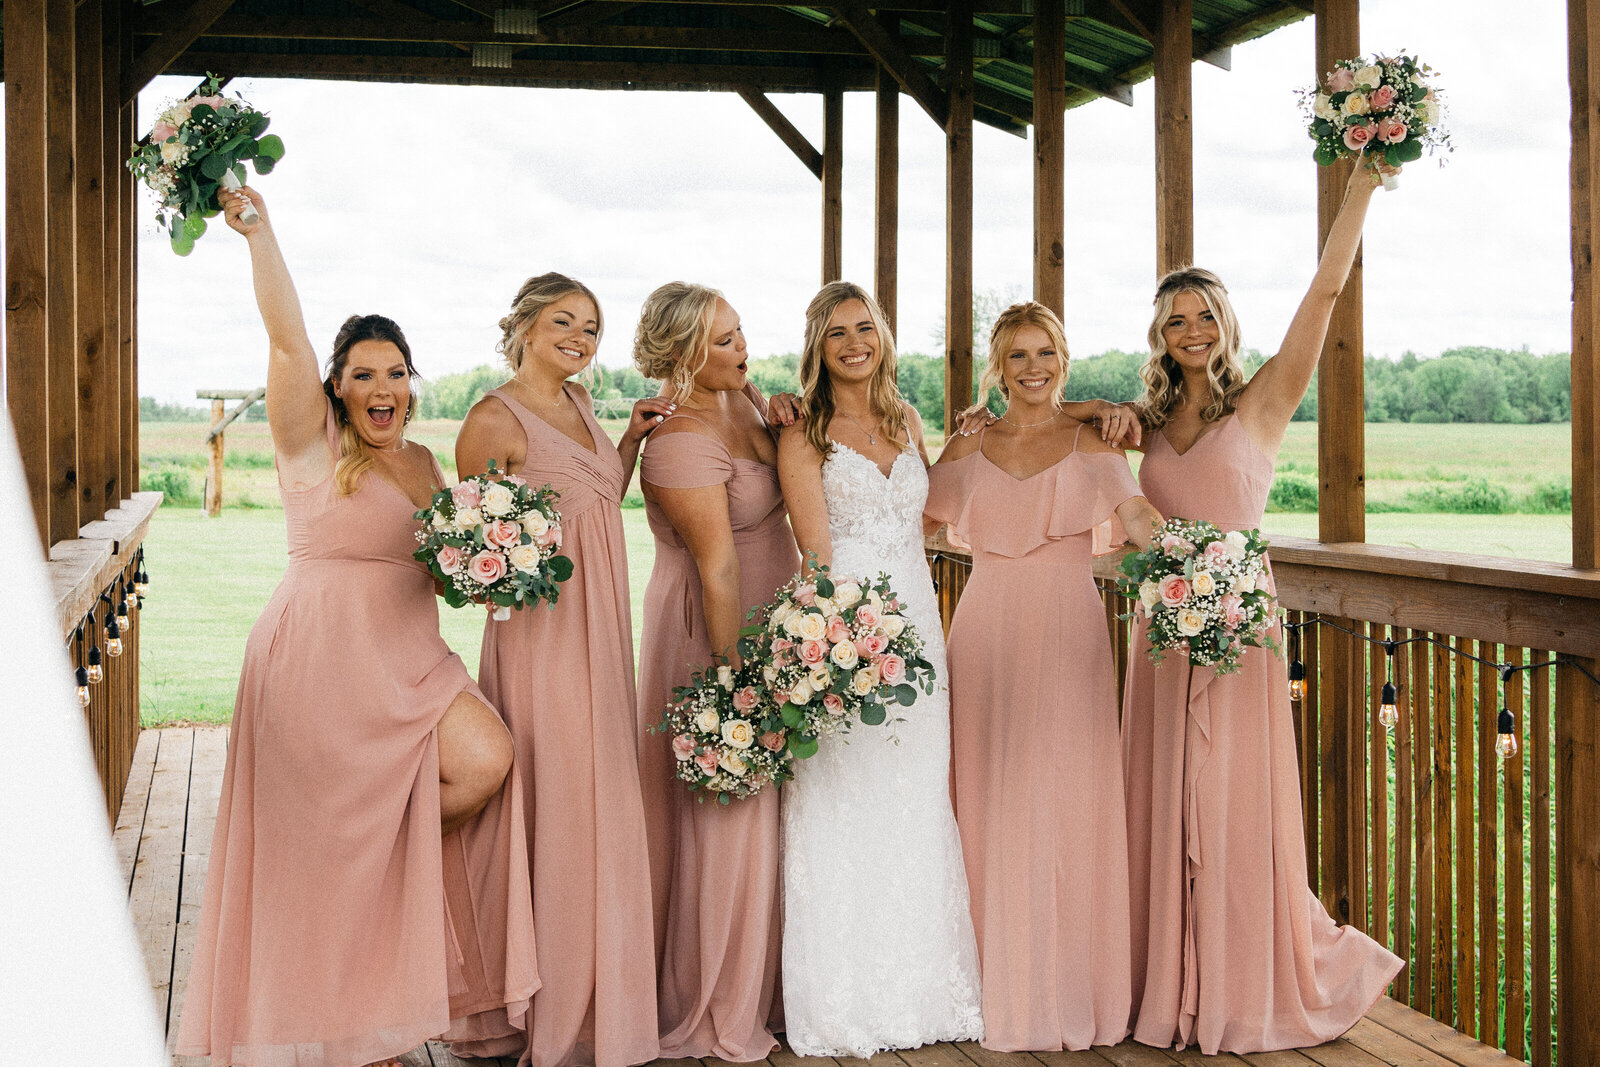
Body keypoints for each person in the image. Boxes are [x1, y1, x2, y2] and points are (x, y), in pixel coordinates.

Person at [177, 187, 537, 1067]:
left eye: (396, 371)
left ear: (412, 382)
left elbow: (451, 582)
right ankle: (356, 1028)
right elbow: (288, 339)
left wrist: (500, 564)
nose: (383, 386)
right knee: (323, 848)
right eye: (364, 373)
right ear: (339, 386)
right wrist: (261, 234)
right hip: (318, 662)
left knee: (489, 758)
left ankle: (387, 899)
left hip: (413, 661)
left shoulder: (424, 463)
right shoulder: (315, 445)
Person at [1122, 162, 1404, 1054]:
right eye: (1177, 317)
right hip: (1163, 636)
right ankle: (1169, 983)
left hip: (1240, 629)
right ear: (1160, 335)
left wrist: (1364, 178)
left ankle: (1245, 983)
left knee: (1234, 804)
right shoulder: (1145, 422)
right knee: (1167, 802)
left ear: (1227, 325)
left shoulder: (1265, 400)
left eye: (1206, 313)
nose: (1193, 329)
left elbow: (1324, 292)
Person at [927, 301, 1161, 1052]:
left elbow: (1140, 519)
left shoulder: (1094, 440)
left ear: (1064, 357)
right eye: (1017, 356)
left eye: (1045, 353)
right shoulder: (969, 443)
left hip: (1066, 626)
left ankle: (1065, 985)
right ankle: (984, 982)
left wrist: (1205, 560)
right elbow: (915, 520)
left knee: (1061, 790)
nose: (1033, 368)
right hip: (986, 626)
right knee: (987, 785)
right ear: (998, 365)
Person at [453, 274, 668, 1067]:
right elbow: (472, 551)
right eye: (563, 322)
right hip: (541, 638)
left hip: (602, 632)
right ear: (524, 325)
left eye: (592, 327)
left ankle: (591, 1001)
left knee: (597, 795)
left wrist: (635, 436)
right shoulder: (490, 417)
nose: (580, 337)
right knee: (556, 798)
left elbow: (598, 492)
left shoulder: (583, 406)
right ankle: (533, 1006)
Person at [774, 281, 983, 1057]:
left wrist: (963, 442)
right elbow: (815, 551)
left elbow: (925, 522)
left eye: (865, 327)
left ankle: (924, 989)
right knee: (845, 796)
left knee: (916, 795)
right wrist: (834, 643)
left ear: (883, 336)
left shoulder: (905, 418)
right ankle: (843, 1001)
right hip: (846, 630)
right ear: (817, 348)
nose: (855, 342)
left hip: (920, 626)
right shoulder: (803, 432)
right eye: (837, 333)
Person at [631, 282, 800, 1061]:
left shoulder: (748, 399)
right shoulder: (680, 437)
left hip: (772, 613)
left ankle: (770, 982)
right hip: (715, 625)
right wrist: (735, 678)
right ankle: (715, 993)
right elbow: (718, 564)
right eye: (725, 341)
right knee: (726, 809)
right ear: (684, 354)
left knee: (771, 809)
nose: (744, 348)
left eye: (740, 334)